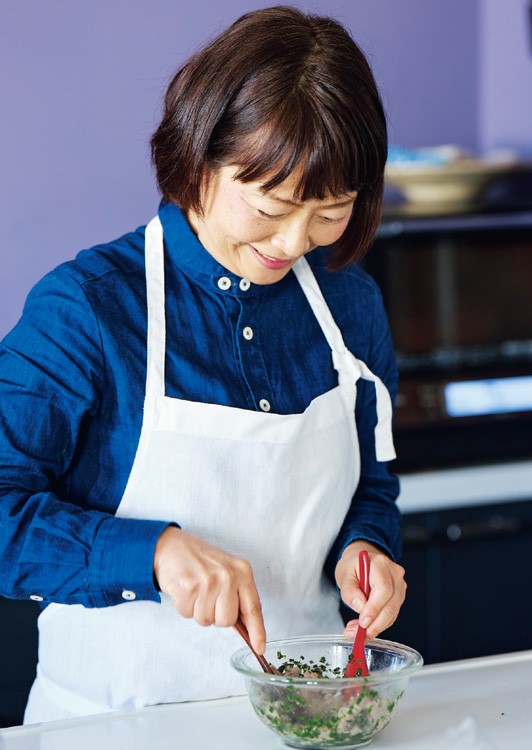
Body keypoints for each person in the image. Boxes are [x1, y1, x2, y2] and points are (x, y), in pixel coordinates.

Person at [0, 5, 406, 723]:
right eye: (271, 206)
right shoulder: (87, 311)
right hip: (111, 725)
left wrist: (365, 548)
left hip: (302, 718)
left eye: (330, 211)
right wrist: (151, 553)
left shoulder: (351, 308)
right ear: (199, 155)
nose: (293, 241)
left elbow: (371, 481)